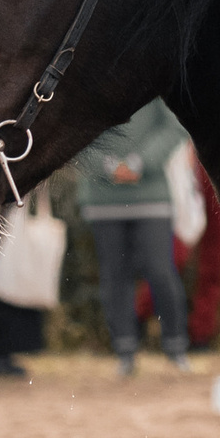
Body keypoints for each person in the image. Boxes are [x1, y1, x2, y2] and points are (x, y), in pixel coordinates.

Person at [76, 99, 193, 377]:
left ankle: (176, 346)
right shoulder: (87, 82)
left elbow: (175, 127)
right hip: (102, 199)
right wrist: (107, 166)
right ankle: (125, 351)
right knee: (115, 275)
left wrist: (140, 162)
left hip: (151, 197)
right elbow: (74, 130)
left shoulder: (151, 82)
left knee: (160, 270)